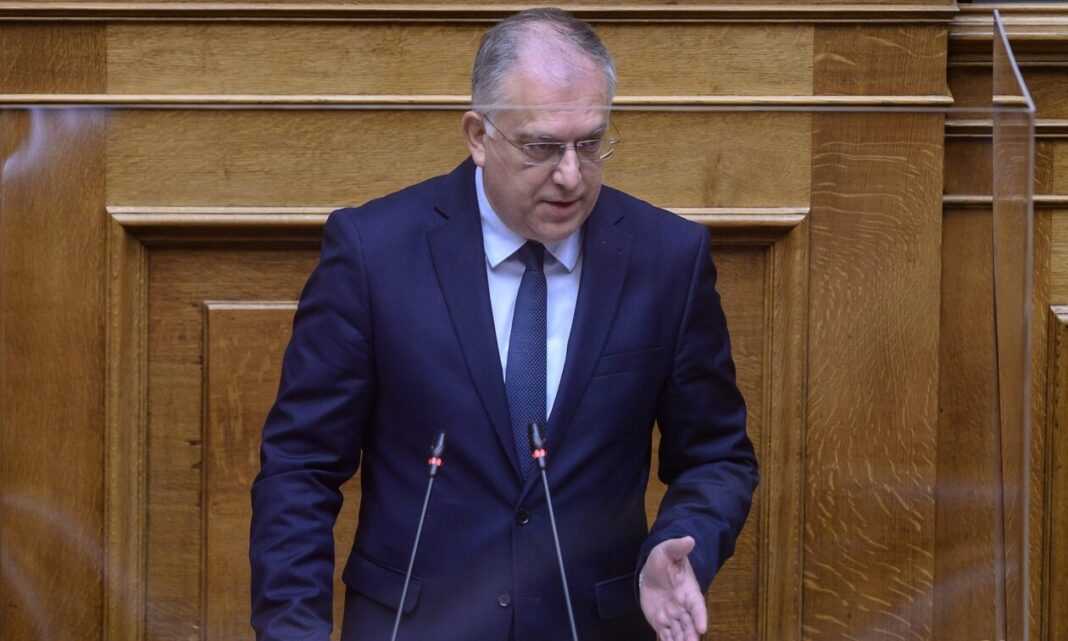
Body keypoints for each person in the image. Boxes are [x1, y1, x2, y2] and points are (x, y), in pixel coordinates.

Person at [250, 8, 758, 641]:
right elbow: (300, 467)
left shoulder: (667, 259)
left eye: (590, 144)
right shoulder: (373, 252)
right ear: (477, 134)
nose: (570, 175)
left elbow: (716, 456)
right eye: (541, 148)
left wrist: (681, 543)